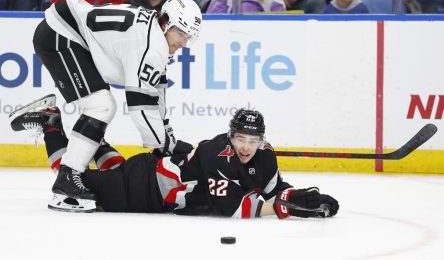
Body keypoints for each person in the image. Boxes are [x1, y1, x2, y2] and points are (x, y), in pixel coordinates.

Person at [20, 0, 202, 209]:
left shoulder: (155, 35)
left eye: (189, 36)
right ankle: (66, 181)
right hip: (61, 34)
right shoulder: (152, 46)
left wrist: (166, 138)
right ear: (166, 23)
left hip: (68, 32)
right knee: (101, 106)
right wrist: (163, 144)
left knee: (100, 109)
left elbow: (156, 95)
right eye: (180, 32)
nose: (184, 42)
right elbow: (141, 106)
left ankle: (59, 129)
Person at [10, 100, 340, 218]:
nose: (246, 146)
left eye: (252, 140)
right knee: (69, 180)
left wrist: (295, 196)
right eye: (240, 138)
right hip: (142, 189)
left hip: (149, 177)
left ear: (262, 140)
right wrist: (286, 207)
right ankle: (51, 121)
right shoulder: (217, 155)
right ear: (231, 135)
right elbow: (235, 208)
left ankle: (89, 138)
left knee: (113, 168)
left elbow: (272, 189)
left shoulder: (266, 156)